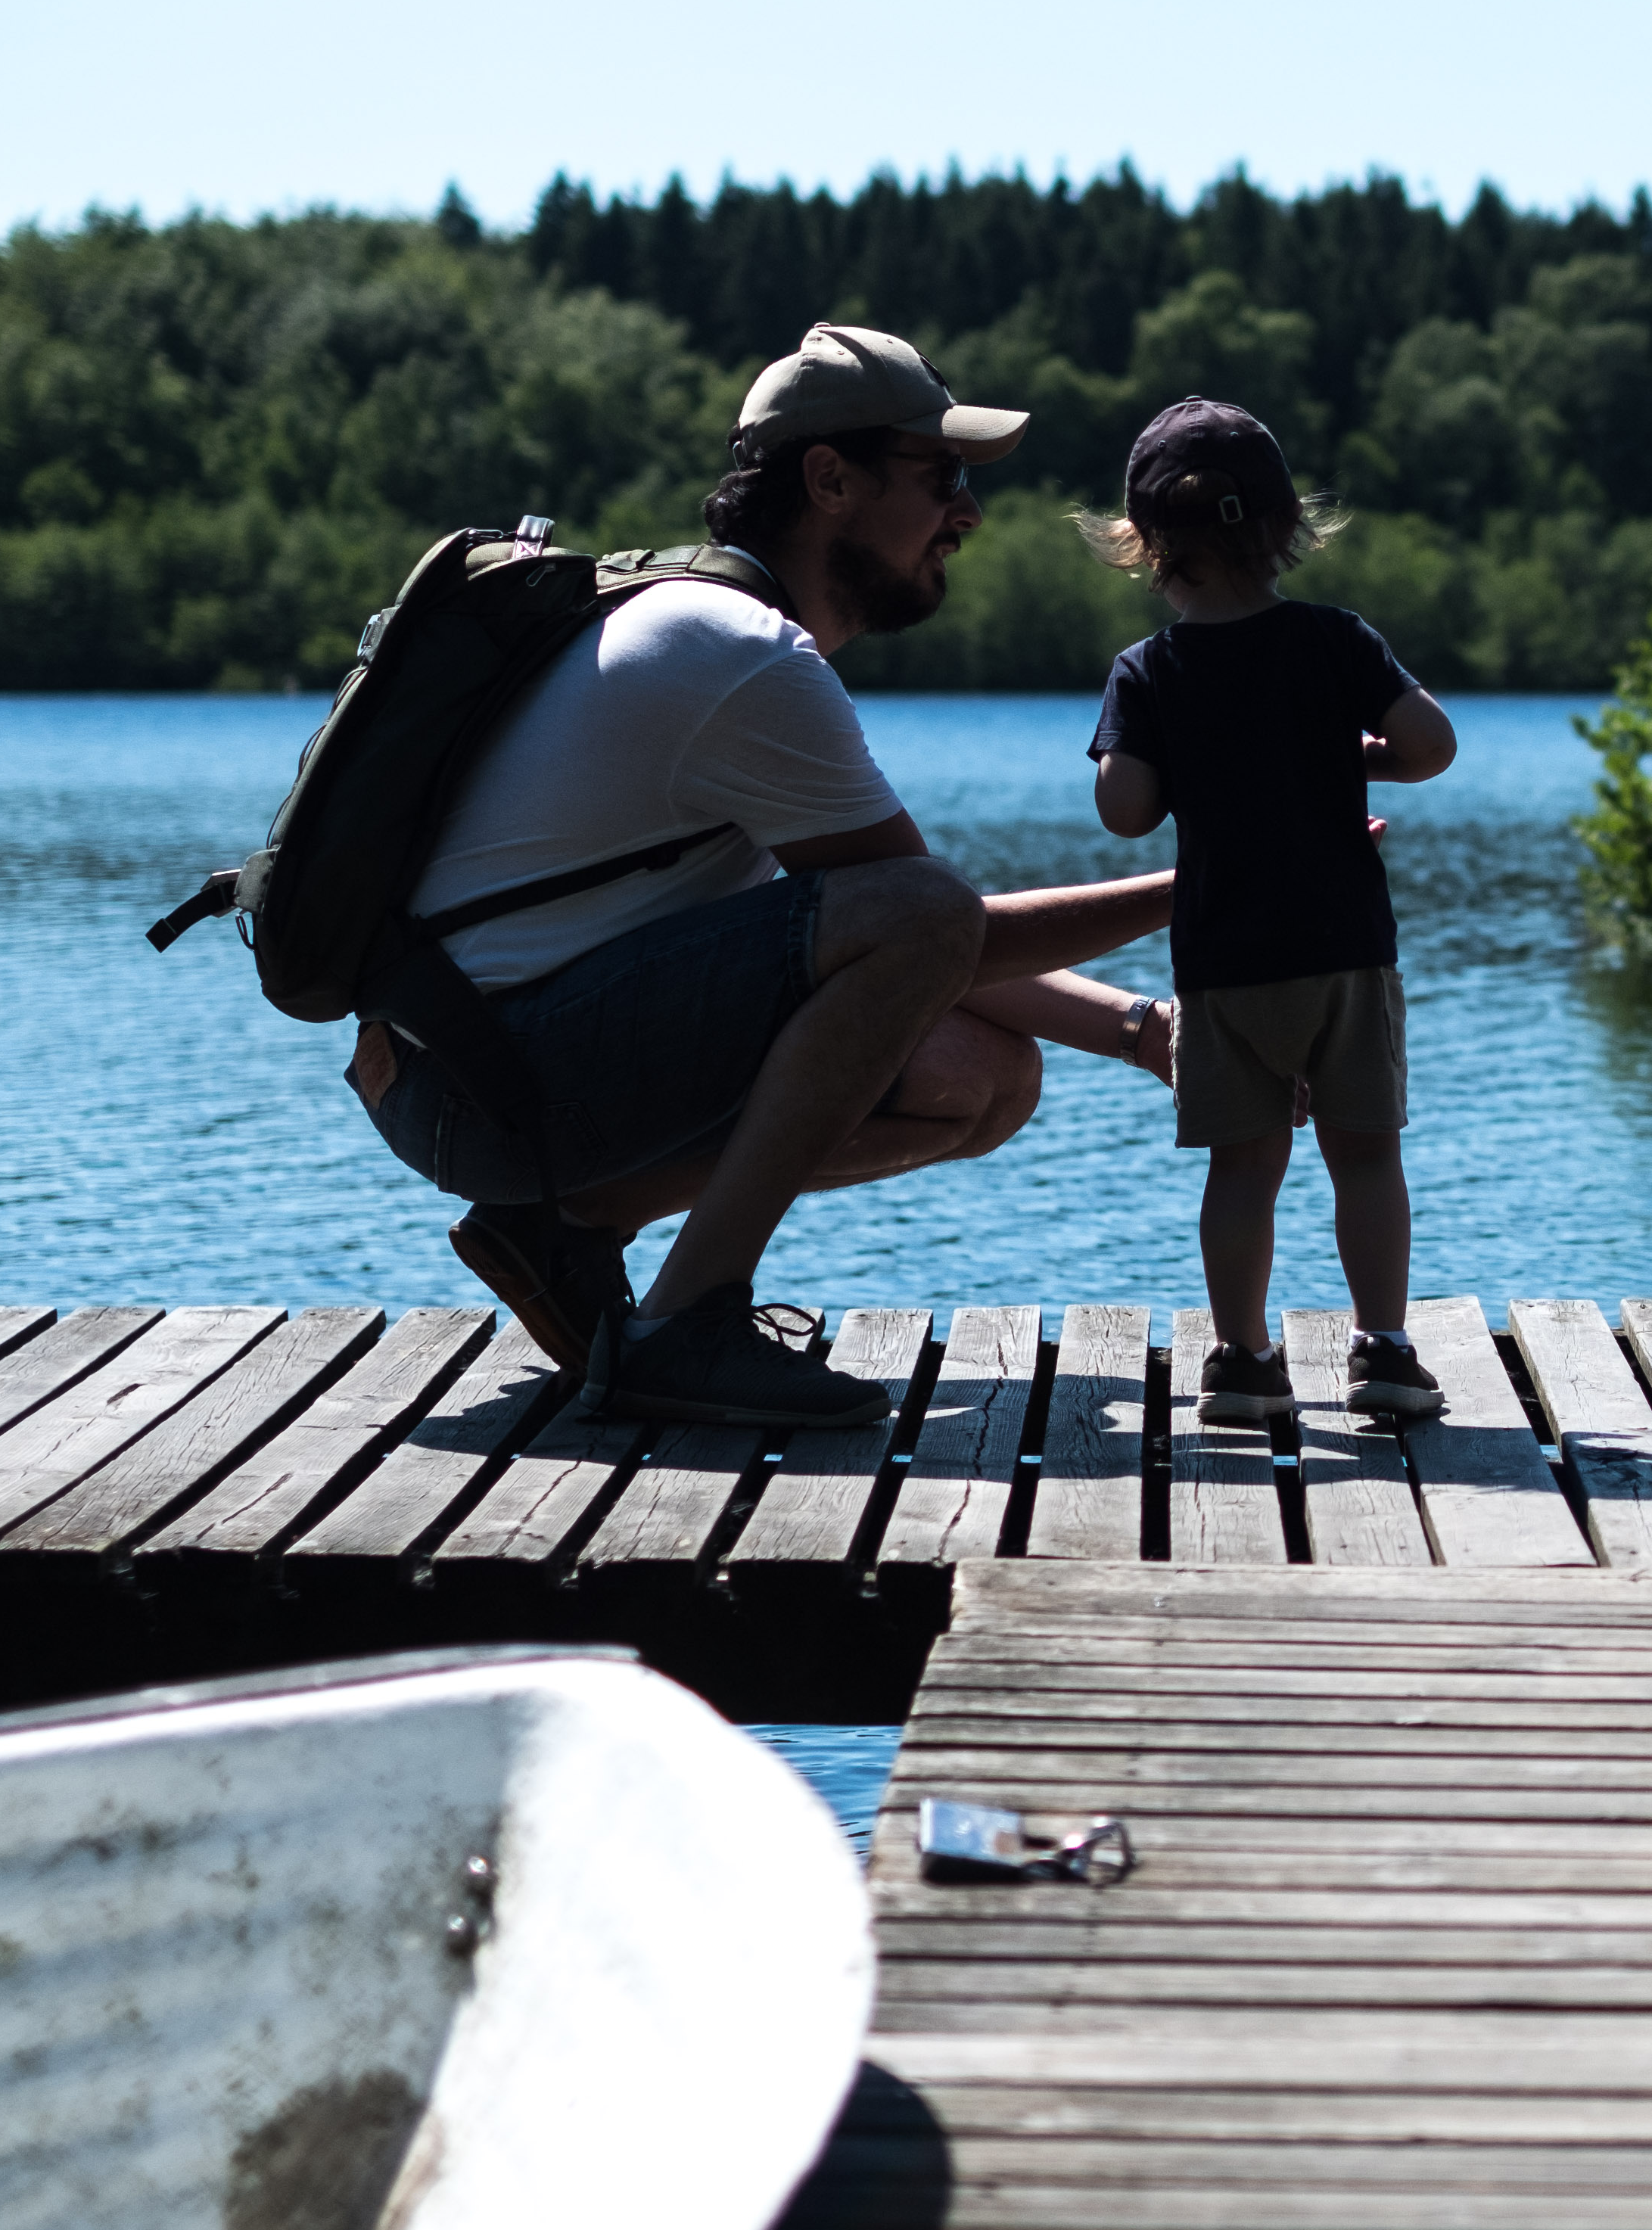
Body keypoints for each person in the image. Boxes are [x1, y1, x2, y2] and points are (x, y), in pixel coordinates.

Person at [350, 321, 1179, 1426]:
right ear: (831, 479)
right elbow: (933, 929)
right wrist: (1206, 885)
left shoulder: (698, 625)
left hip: (459, 1076)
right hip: (485, 1088)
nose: (968, 511)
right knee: (923, 914)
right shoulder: (741, 654)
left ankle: (566, 1225)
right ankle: (683, 1324)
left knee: (981, 1077)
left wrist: (1141, 1032)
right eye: (942, 477)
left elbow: (921, 957)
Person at [1082, 398, 1460, 1428]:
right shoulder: (1337, 644)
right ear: (1289, 530)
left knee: (1244, 1164)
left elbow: (1124, 813)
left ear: (1146, 545)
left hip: (1222, 966)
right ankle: (1382, 1350)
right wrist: (1366, 753)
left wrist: (1169, 768)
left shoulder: (1146, 671)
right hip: (1343, 953)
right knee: (1366, 1152)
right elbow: (1433, 745)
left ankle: (1243, 1362)